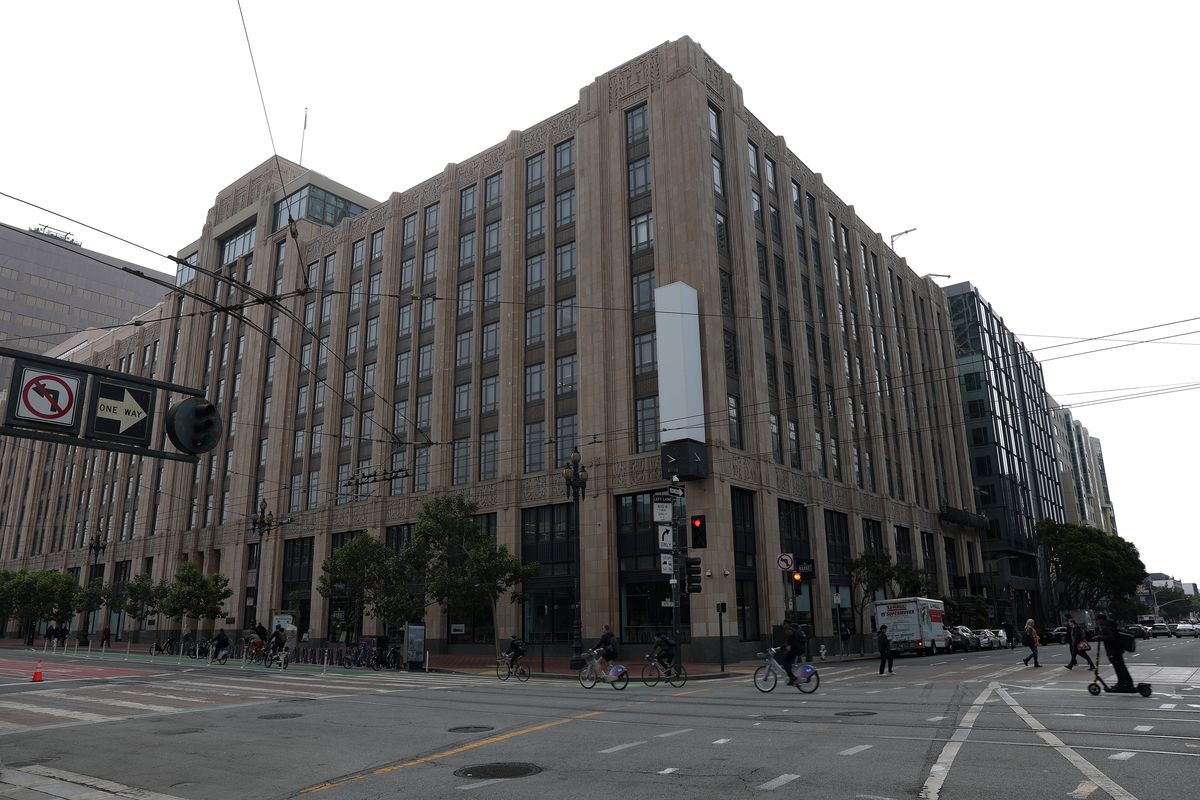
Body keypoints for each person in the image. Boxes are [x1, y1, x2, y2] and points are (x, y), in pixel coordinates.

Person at [1094, 613, 1133, 689]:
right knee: (1121, 667)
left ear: (1101, 620)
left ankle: (1122, 683)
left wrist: (1100, 637)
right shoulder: (1108, 624)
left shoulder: (1107, 626)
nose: (1096, 622)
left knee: (1119, 667)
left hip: (1114, 650)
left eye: (1097, 620)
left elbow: (1111, 637)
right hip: (1116, 649)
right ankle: (1127, 683)